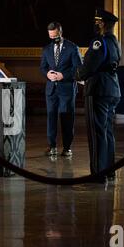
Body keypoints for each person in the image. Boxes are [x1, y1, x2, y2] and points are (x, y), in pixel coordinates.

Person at [78, 9, 121, 182]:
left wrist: (77, 75)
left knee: (97, 133)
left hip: (98, 90)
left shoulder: (99, 42)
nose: (96, 25)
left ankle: (98, 174)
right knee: (107, 132)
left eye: (98, 22)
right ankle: (109, 171)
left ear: (102, 24)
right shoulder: (114, 41)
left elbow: (89, 66)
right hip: (112, 89)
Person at [40, 22, 82, 157]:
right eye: (50, 37)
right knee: (51, 118)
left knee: (67, 119)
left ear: (60, 33)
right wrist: (47, 74)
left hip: (67, 89)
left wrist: (63, 75)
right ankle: (52, 146)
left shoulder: (72, 48)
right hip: (51, 89)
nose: (53, 39)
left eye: (55, 36)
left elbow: (78, 69)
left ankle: (67, 148)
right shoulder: (46, 49)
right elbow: (43, 67)